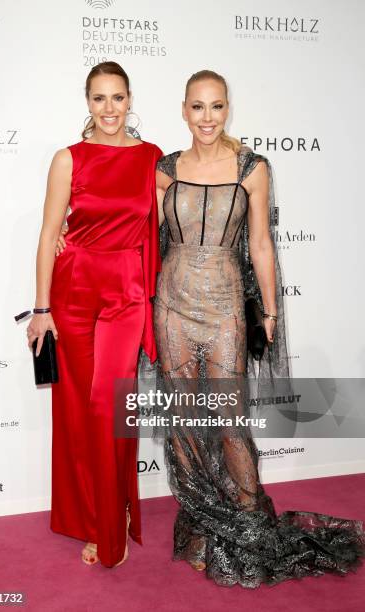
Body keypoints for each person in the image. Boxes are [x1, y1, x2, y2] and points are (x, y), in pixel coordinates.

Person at [154, 69, 365, 587]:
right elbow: (133, 229)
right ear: (184, 110)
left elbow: (262, 245)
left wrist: (268, 313)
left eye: (217, 107)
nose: (207, 118)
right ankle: (203, 521)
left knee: (229, 421)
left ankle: (249, 526)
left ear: (228, 110)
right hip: (172, 304)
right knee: (183, 421)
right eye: (198, 107)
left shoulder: (252, 168)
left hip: (226, 304)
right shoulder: (163, 169)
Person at [26, 61, 162, 568]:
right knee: (80, 411)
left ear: (130, 100)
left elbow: (189, 192)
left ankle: (113, 521)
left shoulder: (152, 159)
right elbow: (47, 233)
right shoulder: (69, 159)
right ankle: (92, 517)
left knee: (112, 407)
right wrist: (41, 307)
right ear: (88, 102)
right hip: (75, 290)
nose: (109, 109)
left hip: (126, 292)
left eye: (118, 98)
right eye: (100, 98)